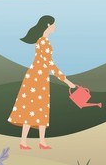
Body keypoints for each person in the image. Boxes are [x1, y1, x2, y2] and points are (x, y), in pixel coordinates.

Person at [7, 15, 76, 150]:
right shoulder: (43, 42)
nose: (55, 26)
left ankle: (38, 141)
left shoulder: (43, 41)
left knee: (39, 108)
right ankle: (27, 142)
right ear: (48, 25)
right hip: (36, 79)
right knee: (32, 108)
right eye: (54, 24)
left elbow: (48, 64)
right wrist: (67, 81)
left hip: (40, 77)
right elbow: (50, 64)